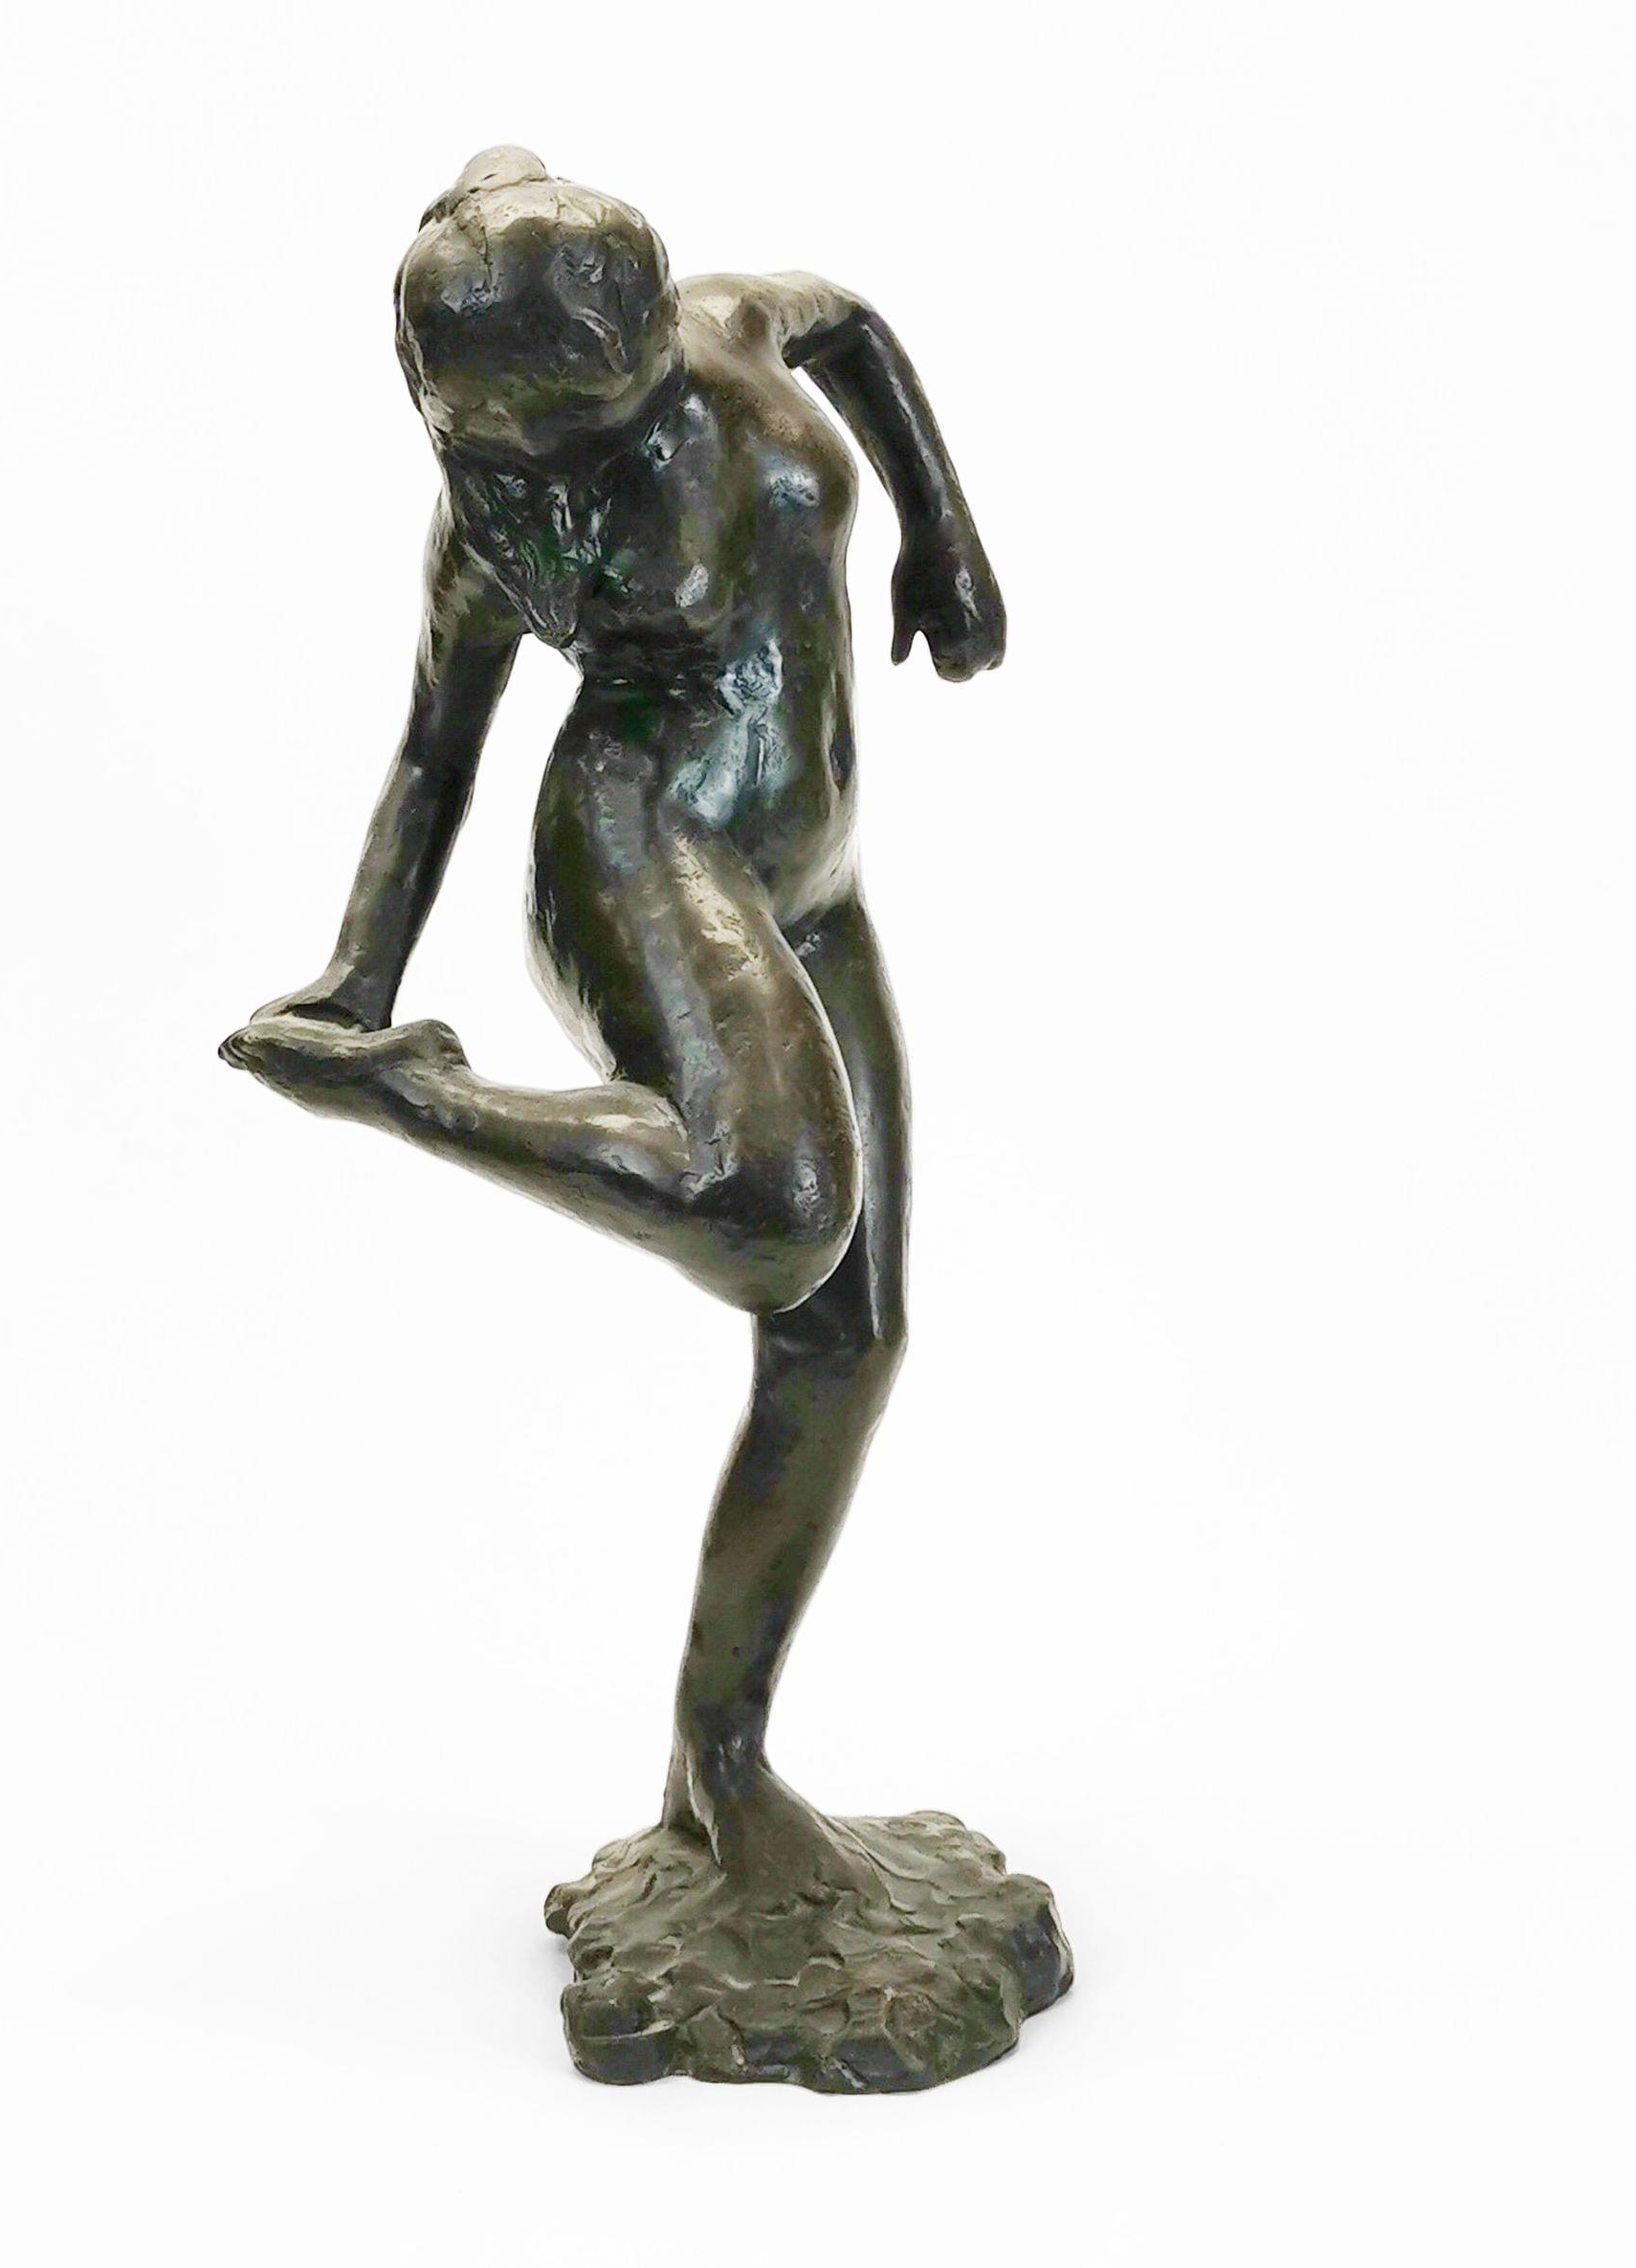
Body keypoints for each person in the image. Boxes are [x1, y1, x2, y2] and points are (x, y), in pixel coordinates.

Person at [222, 147, 1006, 1899]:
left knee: (849, 1336)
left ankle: (718, 1762)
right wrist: (361, 982)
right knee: (773, 1213)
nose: (590, 481)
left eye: (619, 423)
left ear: (656, 334)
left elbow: (855, 327)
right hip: (645, 846)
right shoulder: (495, 535)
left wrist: (944, 536)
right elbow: (435, 757)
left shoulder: (728, 332)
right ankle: (417, 1097)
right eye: (539, 460)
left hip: (810, 874)